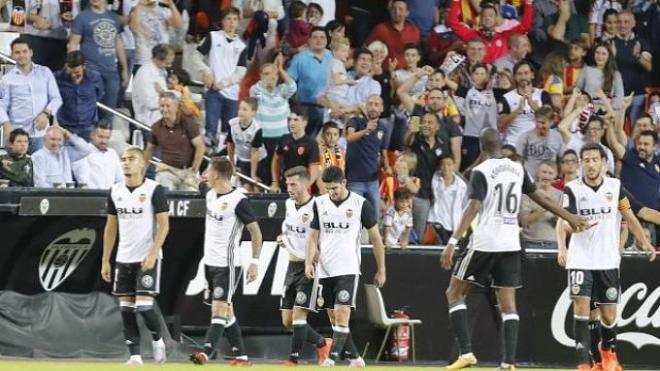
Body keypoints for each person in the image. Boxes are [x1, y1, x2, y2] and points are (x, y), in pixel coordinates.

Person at [439, 128, 591, 370]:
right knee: (508, 305)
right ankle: (509, 362)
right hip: (511, 243)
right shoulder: (517, 169)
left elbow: (473, 207)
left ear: (481, 148)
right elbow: (542, 198)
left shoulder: (480, 171)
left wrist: (452, 241)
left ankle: (466, 353)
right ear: (502, 145)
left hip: (485, 242)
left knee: (454, 293)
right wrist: (569, 216)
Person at [556, 143, 656, 371]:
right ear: (581, 164)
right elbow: (565, 220)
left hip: (607, 260)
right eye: (586, 160)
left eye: (594, 159)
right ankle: (584, 364)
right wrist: (571, 233)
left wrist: (644, 241)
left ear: (603, 162)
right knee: (582, 311)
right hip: (580, 260)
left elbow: (630, 215)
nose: (590, 164)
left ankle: (606, 350)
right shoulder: (572, 189)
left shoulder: (615, 187)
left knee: (608, 317)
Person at [305, 166, 386, 367]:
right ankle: (356, 358)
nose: (331, 192)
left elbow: (376, 237)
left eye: (335, 188)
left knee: (342, 314)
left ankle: (331, 358)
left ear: (344, 183)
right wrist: (309, 261)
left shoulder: (360, 204)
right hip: (325, 269)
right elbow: (313, 236)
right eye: (328, 188)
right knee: (334, 317)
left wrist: (381, 268)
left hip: (348, 267)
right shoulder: (320, 203)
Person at [189, 157, 262, 366]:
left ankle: (206, 353)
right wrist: (170, 167)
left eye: (208, 171)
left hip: (228, 264)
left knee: (219, 308)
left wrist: (255, 261)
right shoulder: (210, 193)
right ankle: (242, 356)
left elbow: (256, 233)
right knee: (226, 310)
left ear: (218, 175)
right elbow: (195, 180)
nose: (205, 175)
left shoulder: (239, 201)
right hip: (209, 263)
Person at [101, 146, 169, 365]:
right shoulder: (115, 191)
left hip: (146, 257)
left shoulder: (154, 189)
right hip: (123, 257)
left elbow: (164, 225)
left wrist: (153, 253)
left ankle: (158, 340)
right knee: (126, 309)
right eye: (123, 159)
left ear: (142, 164)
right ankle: (135, 356)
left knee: (144, 306)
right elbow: (111, 227)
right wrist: (105, 259)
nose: (126, 163)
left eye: (131, 159)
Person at [277, 166, 332, 366]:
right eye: (287, 183)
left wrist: (317, 257)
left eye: (293, 183)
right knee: (288, 321)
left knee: (299, 314)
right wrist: (283, 238)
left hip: (309, 268)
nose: (289, 187)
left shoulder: (318, 206)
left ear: (305, 184)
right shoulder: (288, 204)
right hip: (291, 266)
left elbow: (324, 238)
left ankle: (293, 360)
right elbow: (288, 229)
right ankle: (322, 343)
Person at [0, 37, 62, 154]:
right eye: (17, 52)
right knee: (16, 171)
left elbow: (56, 98)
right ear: (12, 55)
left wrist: (46, 113)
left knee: (40, 170)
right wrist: (6, 123)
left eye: (24, 51)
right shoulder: (6, 80)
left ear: (31, 53)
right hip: (17, 136)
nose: (21, 55)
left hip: (41, 134)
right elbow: (1, 105)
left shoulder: (45, 73)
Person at [198, 7, 247, 149]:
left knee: (228, 132)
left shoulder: (241, 45)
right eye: (228, 19)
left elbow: (241, 70)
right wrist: (206, 71)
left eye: (234, 19)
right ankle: (208, 159)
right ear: (223, 21)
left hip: (231, 93)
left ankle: (224, 160)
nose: (231, 22)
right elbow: (196, 56)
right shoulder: (213, 37)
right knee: (210, 129)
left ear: (238, 22)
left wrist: (225, 83)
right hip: (213, 91)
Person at [68, 0, 129, 110]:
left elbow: (118, 43)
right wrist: (73, 68)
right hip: (90, 70)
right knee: (89, 110)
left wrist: (124, 68)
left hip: (111, 71)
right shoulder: (82, 17)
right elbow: (73, 44)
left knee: (109, 112)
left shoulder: (114, 17)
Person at [144, 92, 206, 191]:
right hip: (166, 170)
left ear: (176, 107)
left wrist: (194, 170)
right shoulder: (156, 127)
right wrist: (142, 173)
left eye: (168, 106)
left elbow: (200, 147)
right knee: (163, 189)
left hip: (188, 171)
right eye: (162, 106)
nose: (164, 109)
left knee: (192, 194)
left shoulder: (189, 124)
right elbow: (149, 150)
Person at [404, 112, 450, 242]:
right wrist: (412, 131)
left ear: (437, 127)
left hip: (430, 195)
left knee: (423, 232)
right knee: (407, 230)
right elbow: (406, 141)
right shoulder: (416, 140)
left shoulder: (442, 146)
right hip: (412, 194)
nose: (426, 125)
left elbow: (447, 166)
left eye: (430, 122)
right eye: (423, 122)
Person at [249, 54, 297, 178]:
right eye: (266, 74)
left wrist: (280, 69)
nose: (271, 77)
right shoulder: (256, 91)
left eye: (274, 75)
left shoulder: (282, 90)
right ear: (260, 76)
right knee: (264, 172)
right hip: (262, 137)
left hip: (282, 137)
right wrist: (267, 81)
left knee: (280, 171)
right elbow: (254, 93)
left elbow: (293, 87)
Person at [344, 95, 390, 221]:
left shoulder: (383, 128)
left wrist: (387, 167)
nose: (373, 107)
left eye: (376, 104)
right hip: (354, 180)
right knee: (353, 217)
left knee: (374, 217)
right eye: (370, 104)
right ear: (366, 106)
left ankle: (374, 240)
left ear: (382, 108)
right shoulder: (355, 121)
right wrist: (366, 130)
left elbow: (383, 152)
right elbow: (349, 138)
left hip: (373, 181)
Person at [447, 0, 534, 64]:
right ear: (480, 20)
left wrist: (528, 4)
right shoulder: (472, 36)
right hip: (478, 76)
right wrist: (456, 1)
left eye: (491, 15)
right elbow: (453, 23)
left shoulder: (504, 36)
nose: (487, 18)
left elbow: (524, 26)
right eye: (484, 16)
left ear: (495, 19)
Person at [287, 27, 333, 136]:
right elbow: (289, 82)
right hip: (306, 107)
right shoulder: (299, 58)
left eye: (322, 37)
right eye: (315, 37)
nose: (319, 40)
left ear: (327, 41)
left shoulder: (332, 56)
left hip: (329, 107)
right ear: (309, 40)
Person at [613, 10, 653, 125]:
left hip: (638, 95)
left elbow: (649, 67)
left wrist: (637, 55)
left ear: (633, 23)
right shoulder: (610, 43)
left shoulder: (642, 43)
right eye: (619, 22)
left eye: (626, 22)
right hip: (617, 96)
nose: (623, 25)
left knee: (637, 129)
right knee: (617, 130)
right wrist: (612, 57)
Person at [498, 60, 552, 146]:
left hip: (538, 144)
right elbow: (500, 125)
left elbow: (549, 119)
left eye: (526, 73)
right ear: (515, 77)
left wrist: (532, 104)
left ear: (532, 75)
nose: (523, 77)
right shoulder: (507, 98)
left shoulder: (543, 95)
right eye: (519, 74)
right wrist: (518, 111)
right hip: (513, 145)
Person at [55, 51, 105, 141]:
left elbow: (99, 94)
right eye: (71, 72)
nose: (73, 75)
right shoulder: (57, 78)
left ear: (84, 66)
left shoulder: (95, 77)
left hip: (89, 126)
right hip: (66, 127)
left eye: (77, 72)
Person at [270, 106, 321, 193]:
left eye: (296, 120)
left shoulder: (311, 144)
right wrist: (275, 182)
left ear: (304, 123)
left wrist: (305, 186)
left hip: (302, 188)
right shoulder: (283, 139)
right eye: (290, 119)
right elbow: (276, 161)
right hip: (285, 186)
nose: (291, 123)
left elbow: (315, 169)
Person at [226, 98, 269, 192]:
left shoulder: (257, 129)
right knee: (247, 189)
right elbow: (230, 145)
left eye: (245, 109)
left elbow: (255, 153)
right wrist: (232, 165)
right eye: (240, 108)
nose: (241, 112)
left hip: (259, 161)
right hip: (242, 161)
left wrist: (253, 175)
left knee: (257, 189)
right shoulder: (232, 124)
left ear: (253, 113)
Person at [364, 0, 421, 70]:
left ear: (407, 12)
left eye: (400, 9)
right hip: (386, 72)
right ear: (390, 11)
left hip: (408, 73)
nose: (397, 12)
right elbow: (365, 48)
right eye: (394, 9)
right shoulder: (380, 29)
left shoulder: (414, 31)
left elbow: (417, 54)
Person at [520, 160, 562, 249]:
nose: (546, 176)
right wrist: (546, 207)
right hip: (530, 242)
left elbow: (563, 224)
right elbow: (523, 221)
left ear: (555, 175)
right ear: (538, 173)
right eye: (544, 172)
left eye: (550, 173)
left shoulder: (560, 195)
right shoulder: (527, 193)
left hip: (553, 242)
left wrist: (556, 212)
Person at [516, 105, 566, 179]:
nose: (539, 126)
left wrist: (559, 175)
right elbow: (517, 160)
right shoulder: (525, 137)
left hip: (549, 181)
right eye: (537, 122)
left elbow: (563, 157)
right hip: (530, 181)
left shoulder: (556, 136)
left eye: (543, 123)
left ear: (551, 122)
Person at [130, 0, 183, 67]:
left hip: (163, 59)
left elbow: (179, 25)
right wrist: (139, 5)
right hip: (144, 59)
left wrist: (171, 4)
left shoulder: (164, 11)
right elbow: (134, 29)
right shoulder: (136, 10)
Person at [132, 44, 175, 126]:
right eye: (167, 63)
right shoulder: (145, 74)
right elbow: (149, 103)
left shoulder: (162, 70)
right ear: (157, 59)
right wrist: (167, 96)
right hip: (149, 120)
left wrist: (168, 88)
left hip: (162, 117)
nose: (169, 66)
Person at [72, 122, 124, 189]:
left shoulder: (112, 153)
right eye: (100, 136)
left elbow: (120, 179)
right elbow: (83, 181)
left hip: (111, 195)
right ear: (92, 135)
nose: (104, 141)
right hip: (92, 195)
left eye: (107, 137)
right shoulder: (83, 152)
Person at [429, 155, 467, 245]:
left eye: (449, 165)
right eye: (443, 165)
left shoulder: (461, 185)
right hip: (438, 220)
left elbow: (465, 205)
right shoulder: (435, 178)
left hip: (454, 223)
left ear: (454, 166)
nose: (446, 168)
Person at [575, 42, 624, 110]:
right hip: (587, 109)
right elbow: (577, 90)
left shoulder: (616, 74)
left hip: (607, 111)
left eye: (603, 54)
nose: (600, 56)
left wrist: (606, 109)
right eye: (597, 53)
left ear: (609, 56)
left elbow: (619, 98)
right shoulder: (587, 70)